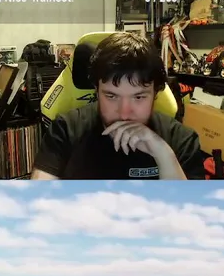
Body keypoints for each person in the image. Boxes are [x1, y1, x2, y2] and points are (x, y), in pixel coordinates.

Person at [32, 32, 208, 180]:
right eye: (111, 96)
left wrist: (164, 155)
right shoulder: (65, 130)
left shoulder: (181, 139)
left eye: (138, 97)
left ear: (155, 93)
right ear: (97, 90)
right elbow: (39, 200)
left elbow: (188, 208)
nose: (124, 114)